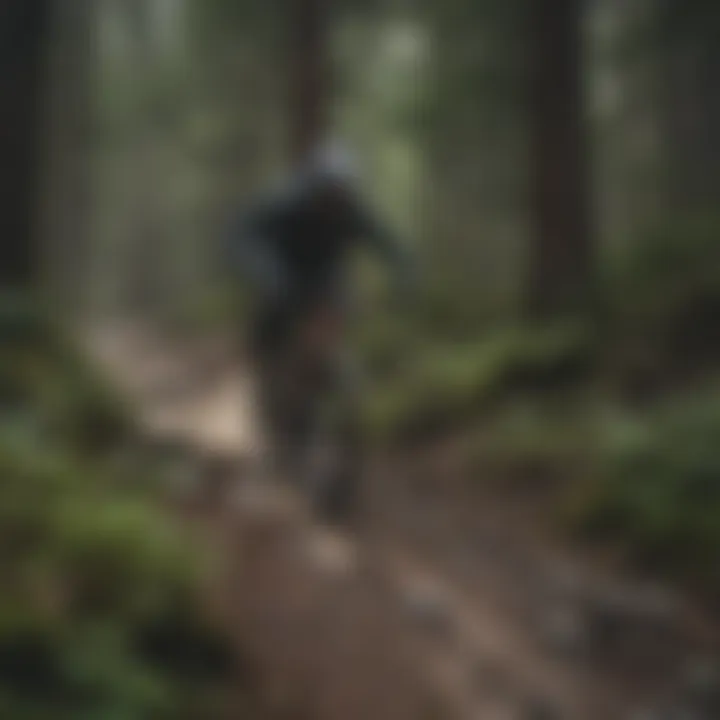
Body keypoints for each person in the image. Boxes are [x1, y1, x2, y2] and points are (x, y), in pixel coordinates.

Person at [225, 139, 413, 516]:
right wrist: (263, 270)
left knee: (334, 337)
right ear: (313, 185)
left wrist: (404, 271)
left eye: (340, 192)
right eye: (328, 191)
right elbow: (240, 235)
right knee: (271, 330)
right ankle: (270, 400)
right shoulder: (284, 202)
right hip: (281, 280)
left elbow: (385, 240)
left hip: (326, 287)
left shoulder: (351, 210)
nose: (334, 199)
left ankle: (333, 439)